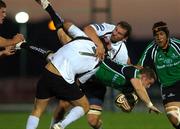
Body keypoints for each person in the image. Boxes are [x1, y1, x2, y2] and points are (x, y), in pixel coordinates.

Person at [34, 0, 132, 129]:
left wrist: (131, 97)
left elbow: (128, 71)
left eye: (119, 33)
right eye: (116, 29)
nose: (114, 33)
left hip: (97, 84)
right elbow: (87, 28)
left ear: (124, 39)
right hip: (82, 75)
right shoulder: (108, 28)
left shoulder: (122, 53)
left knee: (93, 121)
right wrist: (99, 45)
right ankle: (54, 127)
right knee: (63, 105)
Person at [25, 0, 106, 129]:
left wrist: (24, 45)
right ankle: (61, 126)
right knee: (84, 106)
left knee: (37, 111)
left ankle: (48, 7)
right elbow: (79, 81)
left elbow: (64, 26)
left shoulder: (82, 38)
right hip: (61, 78)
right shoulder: (98, 64)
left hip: (47, 72)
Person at [138, 21, 180, 129]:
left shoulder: (177, 45)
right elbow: (139, 68)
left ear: (167, 34)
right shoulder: (151, 49)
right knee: (174, 117)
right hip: (168, 87)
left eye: (161, 34)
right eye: (156, 35)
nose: (159, 38)